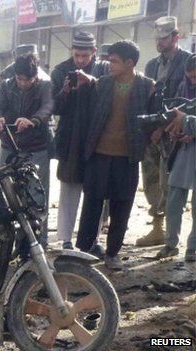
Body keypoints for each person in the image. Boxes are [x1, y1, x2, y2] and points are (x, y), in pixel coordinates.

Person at [75, 40, 155, 270]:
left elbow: (152, 121)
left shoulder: (146, 86)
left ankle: (112, 253)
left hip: (127, 158)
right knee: (92, 204)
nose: (109, 64)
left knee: (122, 206)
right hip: (99, 154)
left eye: (114, 61)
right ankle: (84, 250)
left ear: (130, 63)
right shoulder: (103, 84)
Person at [0, 53, 54, 248]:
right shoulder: (6, 85)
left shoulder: (45, 86)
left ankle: (39, 241)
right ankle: (7, 236)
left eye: (28, 79)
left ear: (35, 76)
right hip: (9, 147)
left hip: (37, 149)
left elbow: (48, 107)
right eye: (19, 79)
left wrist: (32, 120)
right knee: (6, 193)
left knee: (37, 196)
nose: (23, 83)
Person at [51, 31, 109, 251]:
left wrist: (92, 83)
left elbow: (109, 96)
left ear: (94, 52)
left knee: (96, 192)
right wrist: (65, 92)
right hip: (70, 140)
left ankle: (93, 240)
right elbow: (53, 108)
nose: (81, 60)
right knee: (68, 188)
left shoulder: (104, 70)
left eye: (85, 55)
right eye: (77, 55)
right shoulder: (60, 71)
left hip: (98, 139)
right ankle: (65, 240)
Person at [136, 16, 192, 247]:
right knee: (150, 179)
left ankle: (171, 235)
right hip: (153, 132)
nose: (159, 42)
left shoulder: (188, 62)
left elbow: (187, 100)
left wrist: (165, 127)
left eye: (164, 37)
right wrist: (151, 127)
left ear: (175, 37)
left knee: (170, 182)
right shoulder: (151, 65)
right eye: (157, 38)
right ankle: (157, 228)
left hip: (174, 131)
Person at [155, 54, 196, 261]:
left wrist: (186, 121)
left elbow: (186, 118)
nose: (193, 82)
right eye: (190, 78)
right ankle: (171, 244)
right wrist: (178, 130)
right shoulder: (186, 93)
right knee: (173, 201)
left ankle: (193, 248)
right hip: (186, 152)